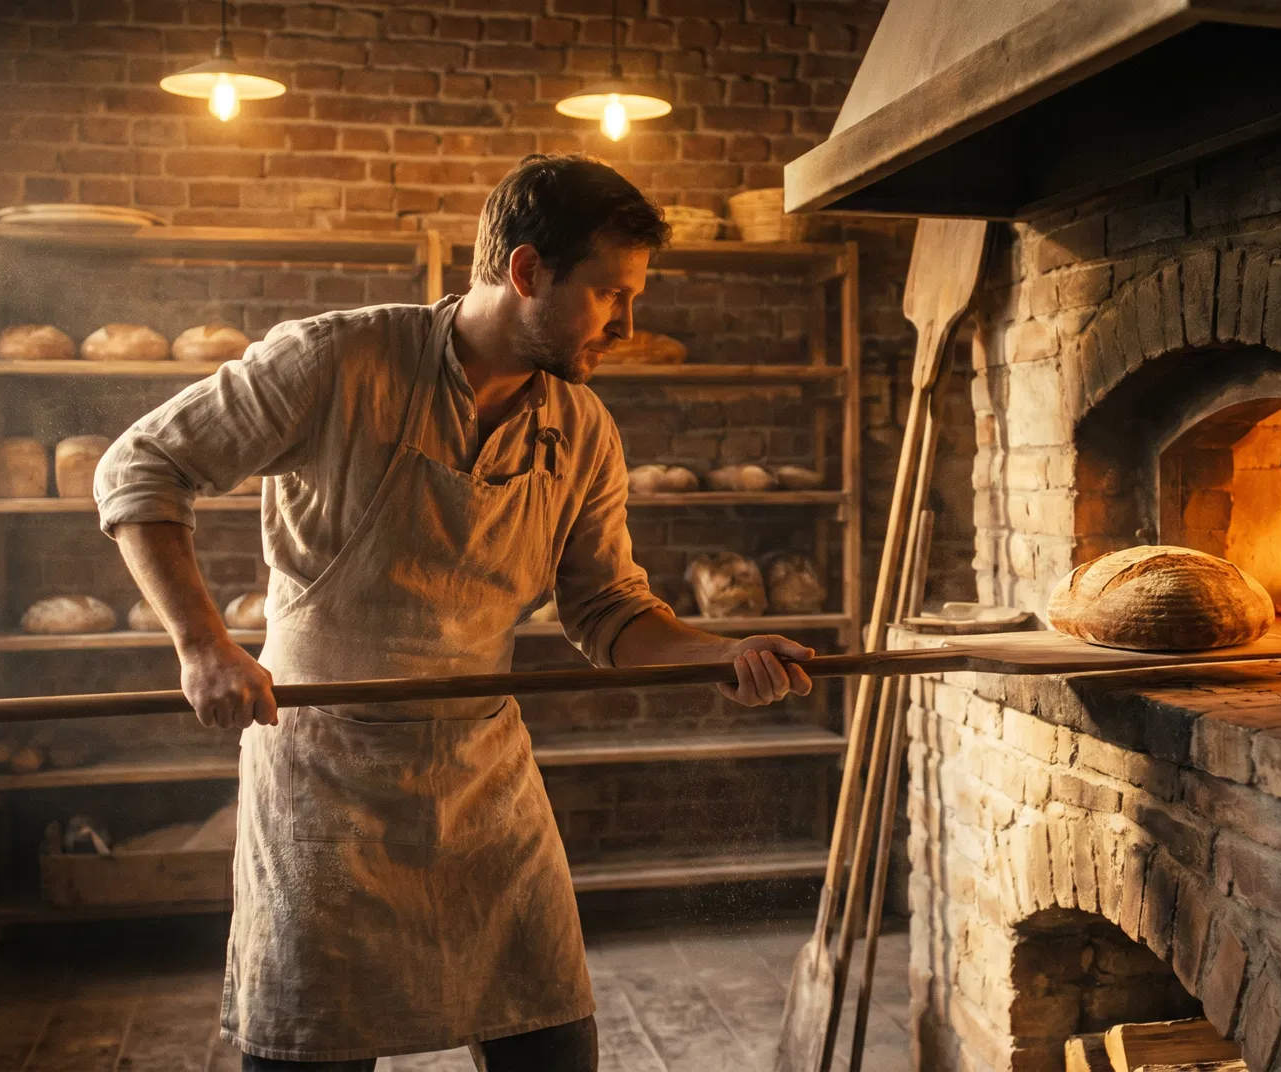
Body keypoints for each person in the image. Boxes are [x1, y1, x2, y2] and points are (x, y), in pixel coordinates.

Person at [94, 153, 815, 1072]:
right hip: (327, 775)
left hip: (482, 779)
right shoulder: (338, 359)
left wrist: (719, 653)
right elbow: (137, 466)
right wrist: (203, 645)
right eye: (608, 294)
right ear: (526, 272)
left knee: (551, 1049)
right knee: (313, 1050)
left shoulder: (582, 426)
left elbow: (609, 609)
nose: (628, 325)